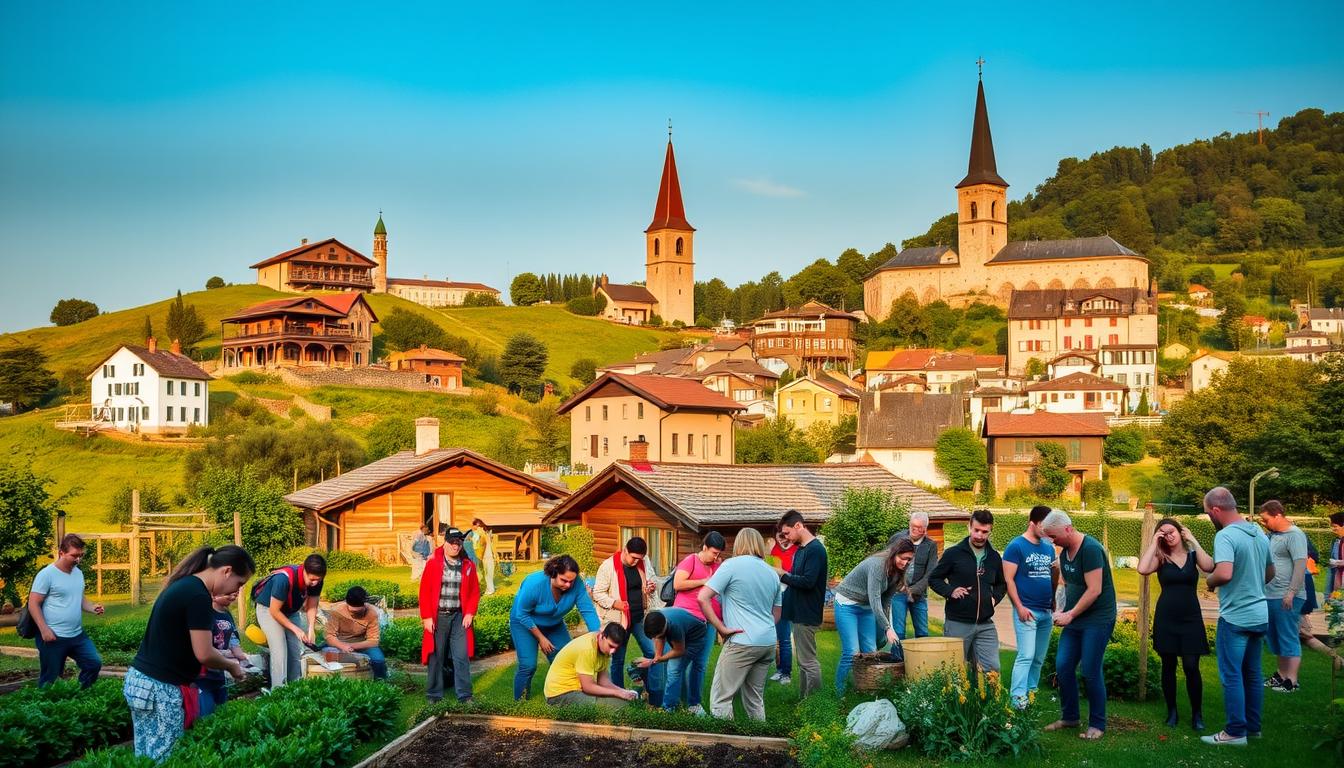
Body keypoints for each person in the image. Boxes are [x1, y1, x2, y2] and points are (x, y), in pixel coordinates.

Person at [123, 546, 253, 761]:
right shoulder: (198, 596)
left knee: (144, 758)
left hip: (140, 682)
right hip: (161, 689)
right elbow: (204, 653)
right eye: (239, 583)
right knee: (165, 759)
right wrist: (232, 666)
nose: (236, 589)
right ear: (227, 571)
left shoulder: (184, 585)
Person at [1201, 486, 1272, 747]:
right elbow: (1270, 573)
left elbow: (1224, 573)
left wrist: (1209, 581)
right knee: (1252, 674)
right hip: (1260, 613)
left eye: (1208, 513)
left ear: (1217, 510)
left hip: (1236, 617)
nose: (1209, 518)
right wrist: (1251, 583)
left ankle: (1234, 732)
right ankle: (1253, 729)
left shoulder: (1226, 535)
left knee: (1231, 675)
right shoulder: (1259, 533)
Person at [1041, 510, 1117, 741]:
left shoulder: (1091, 549)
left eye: (1053, 536)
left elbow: (1094, 590)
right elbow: (1070, 586)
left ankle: (1097, 724)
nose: (1051, 541)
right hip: (1075, 617)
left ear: (1067, 529)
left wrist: (1070, 614)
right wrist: (1060, 609)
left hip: (1098, 619)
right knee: (1063, 666)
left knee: (1090, 670)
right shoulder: (1064, 553)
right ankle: (1070, 717)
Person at [1138, 517, 1213, 730]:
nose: (1168, 536)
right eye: (1163, 533)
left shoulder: (1192, 555)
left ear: (1180, 532)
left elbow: (1209, 567)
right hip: (1166, 617)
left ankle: (1197, 715)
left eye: (1171, 532)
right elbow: (1142, 569)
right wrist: (1154, 542)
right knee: (1168, 665)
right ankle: (1172, 712)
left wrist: (1194, 540)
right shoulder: (1161, 558)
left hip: (1190, 617)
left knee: (1191, 666)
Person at [700, 528, 780, 721]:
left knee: (721, 699)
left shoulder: (731, 565)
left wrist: (721, 628)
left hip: (741, 640)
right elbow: (776, 614)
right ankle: (762, 743)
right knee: (754, 698)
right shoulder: (772, 573)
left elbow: (703, 598)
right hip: (767, 642)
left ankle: (724, 746)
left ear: (739, 544)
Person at [509, 554, 600, 700]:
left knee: (566, 659)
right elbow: (522, 614)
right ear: (553, 573)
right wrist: (541, 638)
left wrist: (598, 636)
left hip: (553, 624)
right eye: (564, 580)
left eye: (571, 581)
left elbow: (587, 610)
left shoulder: (576, 584)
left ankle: (564, 696)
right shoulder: (534, 583)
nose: (568, 585)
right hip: (524, 623)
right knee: (528, 665)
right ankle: (520, 703)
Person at [928, 509, 1006, 681]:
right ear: (969, 527)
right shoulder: (953, 553)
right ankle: (956, 706)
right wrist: (950, 591)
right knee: (955, 671)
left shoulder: (994, 557)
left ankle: (989, 706)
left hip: (985, 625)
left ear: (990, 531)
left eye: (984, 532)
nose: (979, 535)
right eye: (976, 530)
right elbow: (934, 579)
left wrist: (995, 598)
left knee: (992, 669)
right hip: (958, 622)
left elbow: (1002, 584)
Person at [833, 538, 914, 693]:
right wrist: (887, 628)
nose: (905, 562)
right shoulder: (878, 565)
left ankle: (866, 690)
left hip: (866, 607)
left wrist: (886, 627)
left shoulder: (899, 571)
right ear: (894, 553)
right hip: (847, 605)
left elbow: (886, 600)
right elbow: (875, 599)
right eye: (903, 558)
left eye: (909, 559)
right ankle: (840, 693)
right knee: (852, 652)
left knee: (871, 651)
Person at [592, 536, 663, 706]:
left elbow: (651, 580)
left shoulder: (643, 562)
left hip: (639, 618)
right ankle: (619, 696)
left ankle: (650, 691)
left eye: (639, 558)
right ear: (624, 550)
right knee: (617, 659)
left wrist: (650, 587)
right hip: (618, 620)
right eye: (633, 557)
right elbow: (597, 593)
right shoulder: (608, 566)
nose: (635, 562)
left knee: (653, 654)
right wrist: (615, 603)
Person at [1002, 505, 1059, 709]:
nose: (1046, 531)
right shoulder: (1016, 546)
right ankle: (1017, 698)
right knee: (1026, 655)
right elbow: (1008, 580)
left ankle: (1031, 693)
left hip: (1045, 610)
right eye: (1043, 526)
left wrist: (1053, 599)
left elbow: (1053, 574)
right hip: (1027, 610)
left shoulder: (1048, 547)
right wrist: (1018, 607)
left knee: (1038, 657)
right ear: (1032, 523)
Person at [28, 534, 103, 688]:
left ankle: (81, 695)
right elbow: (33, 604)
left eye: (81, 555)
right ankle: (46, 708)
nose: (78, 560)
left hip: (77, 635)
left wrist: (92, 607)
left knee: (93, 663)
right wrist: (44, 630)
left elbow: (79, 598)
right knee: (50, 679)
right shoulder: (47, 574)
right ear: (61, 553)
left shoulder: (78, 573)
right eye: (74, 556)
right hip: (53, 636)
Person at [419, 528, 480, 702]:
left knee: (461, 656)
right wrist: (427, 617)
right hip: (438, 617)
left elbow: (475, 592)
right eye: (452, 542)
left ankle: (465, 695)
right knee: (436, 656)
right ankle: (434, 694)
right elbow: (424, 591)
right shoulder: (433, 563)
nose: (455, 546)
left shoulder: (468, 565)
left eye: (458, 543)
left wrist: (470, 613)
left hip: (459, 617)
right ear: (445, 543)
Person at [251, 553, 326, 690]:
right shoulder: (283, 580)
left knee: (295, 649)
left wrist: (310, 629)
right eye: (312, 579)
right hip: (269, 609)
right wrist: (296, 629)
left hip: (290, 610)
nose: (315, 583)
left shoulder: (317, 582)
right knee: (279, 649)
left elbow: (312, 606)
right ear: (304, 570)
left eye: (318, 580)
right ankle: (278, 691)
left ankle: (294, 688)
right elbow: (275, 611)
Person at [774, 510, 827, 697]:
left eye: (787, 533)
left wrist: (783, 575)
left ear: (798, 526)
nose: (786, 537)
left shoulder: (815, 550)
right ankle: (805, 701)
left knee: (808, 662)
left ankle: (815, 705)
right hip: (798, 612)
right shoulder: (802, 550)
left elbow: (808, 582)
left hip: (807, 613)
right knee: (803, 662)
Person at [1258, 500, 1308, 693]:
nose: (1264, 523)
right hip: (1271, 594)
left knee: (1288, 636)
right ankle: (1281, 674)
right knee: (1275, 637)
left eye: (1266, 519)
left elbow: (1300, 564)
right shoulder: (1274, 535)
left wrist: (1291, 592)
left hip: (1287, 596)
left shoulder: (1295, 535)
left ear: (1278, 514)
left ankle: (1292, 681)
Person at [672, 532, 725, 700]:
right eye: (714, 552)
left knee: (701, 663)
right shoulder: (691, 561)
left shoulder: (717, 564)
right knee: (680, 662)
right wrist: (703, 581)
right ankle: (677, 700)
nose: (716, 556)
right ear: (704, 547)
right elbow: (678, 584)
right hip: (687, 617)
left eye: (719, 553)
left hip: (708, 619)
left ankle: (694, 702)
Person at [543, 622, 638, 707]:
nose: (612, 651)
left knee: (623, 703)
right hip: (559, 694)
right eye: (611, 646)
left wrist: (623, 692)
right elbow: (588, 687)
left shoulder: (603, 648)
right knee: (612, 707)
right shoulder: (587, 649)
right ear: (602, 636)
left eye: (616, 648)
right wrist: (616, 693)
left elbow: (603, 681)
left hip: (577, 690)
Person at [638, 608, 709, 714]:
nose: (654, 639)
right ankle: (678, 703)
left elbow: (679, 651)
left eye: (655, 636)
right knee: (675, 669)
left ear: (662, 629)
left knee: (674, 670)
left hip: (695, 639)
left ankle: (669, 709)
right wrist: (657, 656)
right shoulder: (658, 619)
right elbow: (659, 638)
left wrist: (661, 659)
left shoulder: (674, 627)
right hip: (684, 632)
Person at [196, 588, 251, 718]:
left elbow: (232, 638)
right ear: (213, 595)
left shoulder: (227, 614)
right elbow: (203, 647)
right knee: (205, 715)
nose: (234, 594)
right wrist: (226, 656)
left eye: (236, 592)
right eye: (228, 592)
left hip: (219, 675)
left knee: (222, 714)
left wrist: (241, 657)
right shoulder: (205, 614)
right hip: (202, 677)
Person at [889, 512, 938, 640]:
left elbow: (931, 572)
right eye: (912, 526)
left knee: (922, 632)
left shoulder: (930, 545)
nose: (914, 530)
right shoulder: (897, 539)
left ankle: (921, 659)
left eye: (918, 528)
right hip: (897, 592)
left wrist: (913, 590)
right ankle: (897, 659)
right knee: (898, 631)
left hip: (919, 594)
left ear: (925, 529)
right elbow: (888, 562)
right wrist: (897, 583)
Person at [323, 586, 388, 680]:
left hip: (362, 644)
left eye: (358, 612)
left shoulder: (372, 613)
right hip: (339, 643)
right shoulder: (336, 611)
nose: (354, 614)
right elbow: (329, 637)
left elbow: (374, 641)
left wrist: (351, 646)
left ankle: (381, 681)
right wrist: (342, 646)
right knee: (324, 654)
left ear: (364, 604)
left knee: (378, 660)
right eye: (352, 611)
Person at [768, 530, 796, 685]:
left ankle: (786, 673)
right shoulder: (773, 550)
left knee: (784, 637)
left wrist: (780, 572)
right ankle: (779, 670)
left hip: (787, 595)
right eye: (780, 537)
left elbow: (790, 575)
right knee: (777, 636)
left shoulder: (796, 551)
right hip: (774, 594)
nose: (783, 540)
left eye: (785, 536)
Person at [470, 518, 497, 595]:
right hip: (486, 557)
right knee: (487, 573)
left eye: (476, 527)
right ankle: (489, 589)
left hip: (487, 556)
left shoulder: (484, 535)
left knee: (488, 573)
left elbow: (485, 546)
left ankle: (490, 590)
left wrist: (494, 555)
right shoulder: (483, 535)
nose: (476, 529)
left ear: (479, 527)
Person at [1327, 512, 1344, 594]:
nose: (1333, 529)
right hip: (1338, 578)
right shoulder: (1338, 541)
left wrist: (1337, 562)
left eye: (1335, 526)